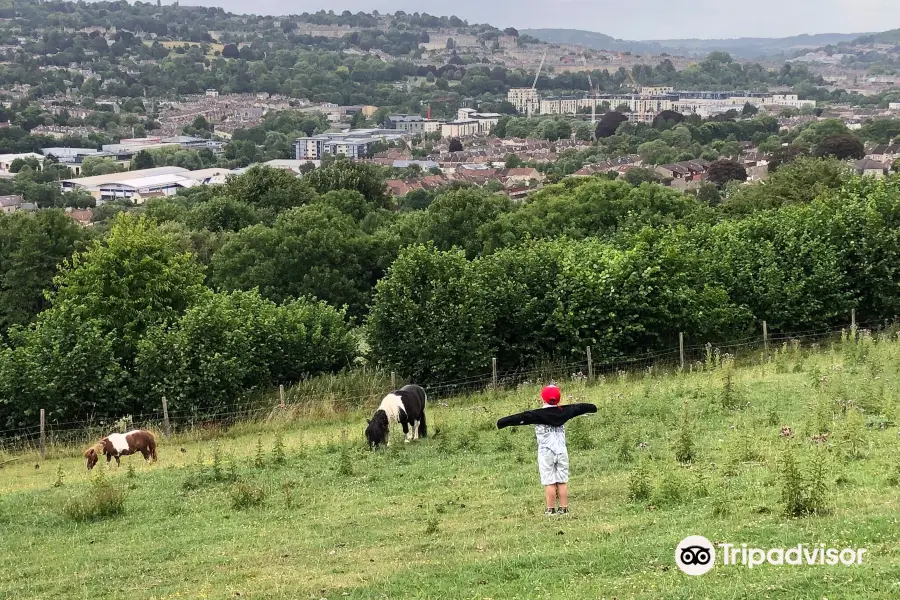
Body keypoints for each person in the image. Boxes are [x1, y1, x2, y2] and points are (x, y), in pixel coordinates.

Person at [536, 384, 569, 516]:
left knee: (549, 481)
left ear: (543, 399)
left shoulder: (538, 415)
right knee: (561, 480)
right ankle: (564, 508)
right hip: (561, 450)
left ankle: (550, 509)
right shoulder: (563, 413)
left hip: (546, 451)